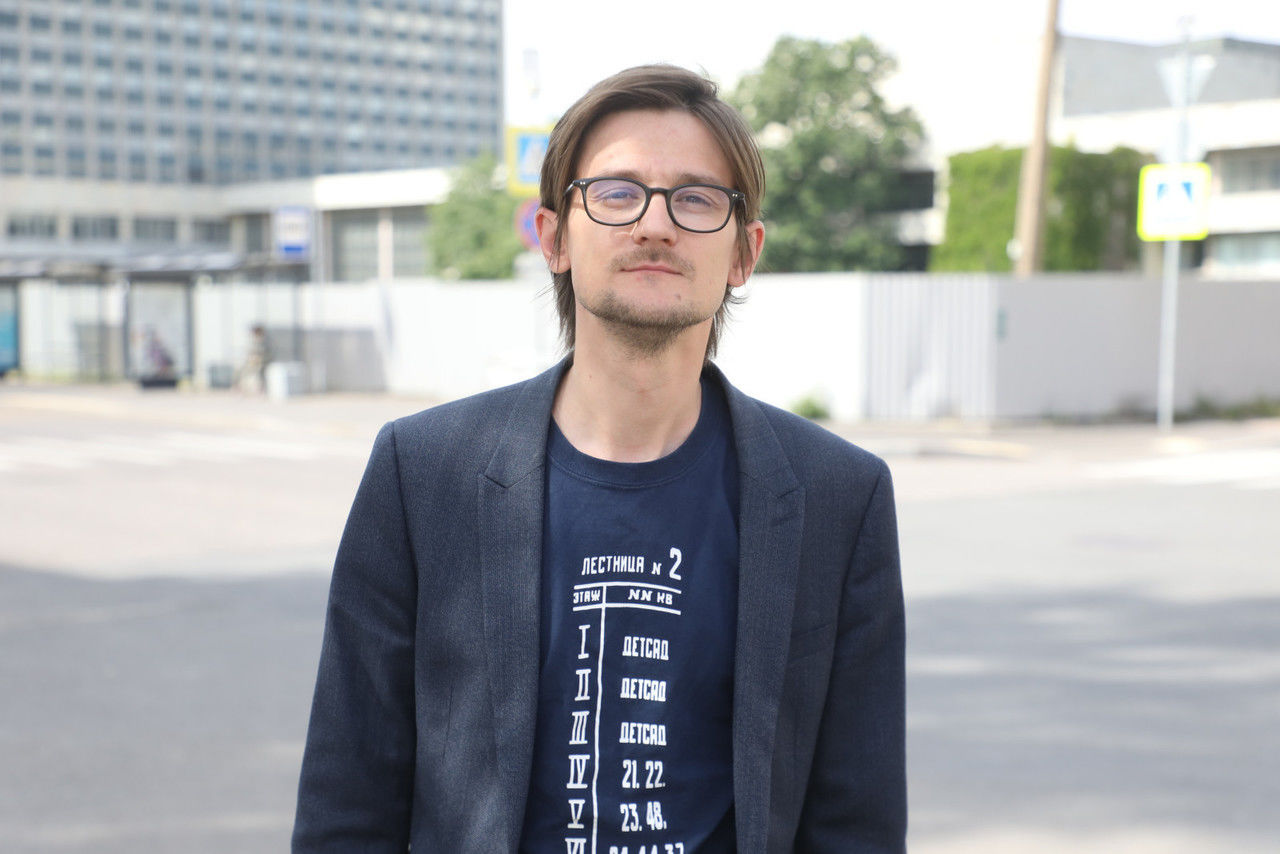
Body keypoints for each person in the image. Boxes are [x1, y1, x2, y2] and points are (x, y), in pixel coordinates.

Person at [293, 65, 905, 853]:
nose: (656, 224)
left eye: (696, 198)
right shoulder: (423, 472)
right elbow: (349, 802)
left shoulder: (837, 496)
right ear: (553, 236)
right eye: (617, 193)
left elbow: (858, 823)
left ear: (744, 252)